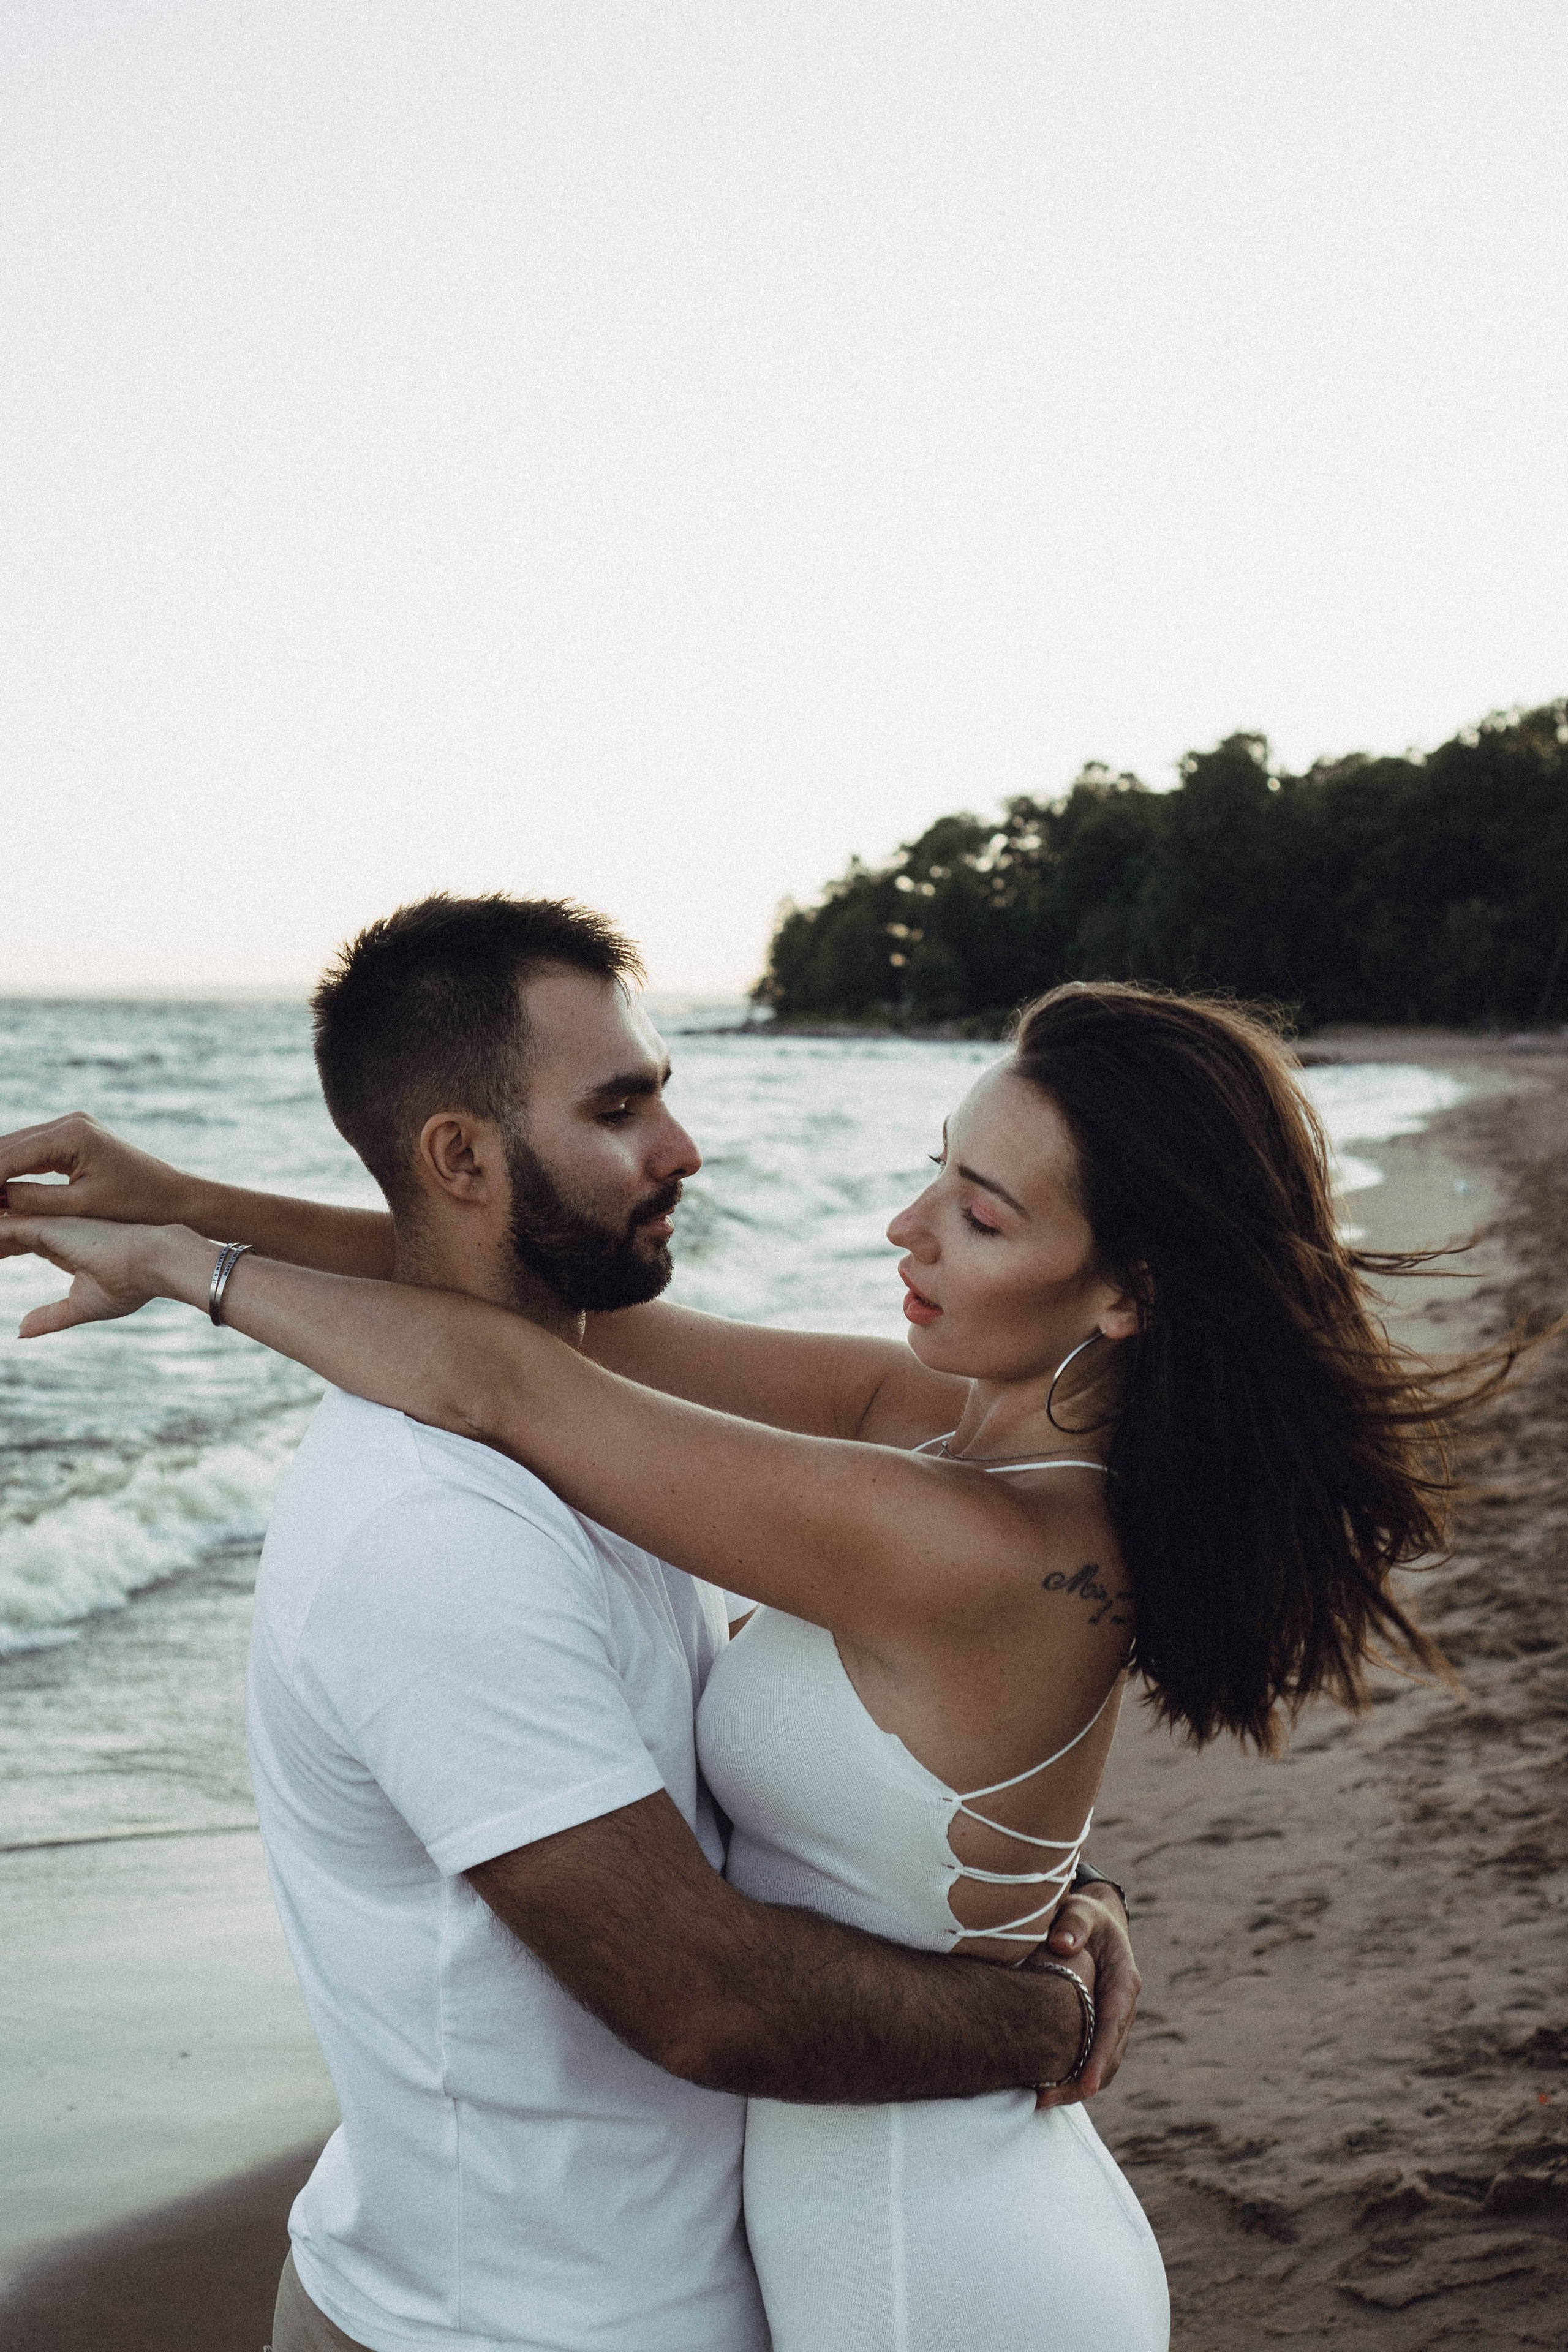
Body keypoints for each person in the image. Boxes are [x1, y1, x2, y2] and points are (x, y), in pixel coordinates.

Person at [0, 896, 1154, 2352]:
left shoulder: (916, 1505)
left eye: (980, 1212)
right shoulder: (458, 1518)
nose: (684, 1149)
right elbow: (513, 1362)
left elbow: (511, 1369)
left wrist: (192, 1260)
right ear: (462, 1156)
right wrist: (1032, 1978)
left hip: (889, 2270)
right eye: (621, 1105)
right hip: (525, 2316)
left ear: (1123, 1291)